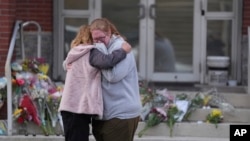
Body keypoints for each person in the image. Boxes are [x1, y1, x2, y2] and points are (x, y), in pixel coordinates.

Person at [58, 24, 131, 141]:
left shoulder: (75, 51)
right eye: (95, 38)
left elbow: (66, 64)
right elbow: (107, 61)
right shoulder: (90, 52)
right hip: (78, 109)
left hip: (70, 107)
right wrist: (123, 50)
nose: (98, 41)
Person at [89, 18, 142, 141]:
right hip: (106, 114)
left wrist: (101, 55)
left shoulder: (121, 47)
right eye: (95, 39)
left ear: (109, 33)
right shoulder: (104, 48)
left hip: (121, 114)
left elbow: (113, 77)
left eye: (101, 38)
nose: (98, 42)